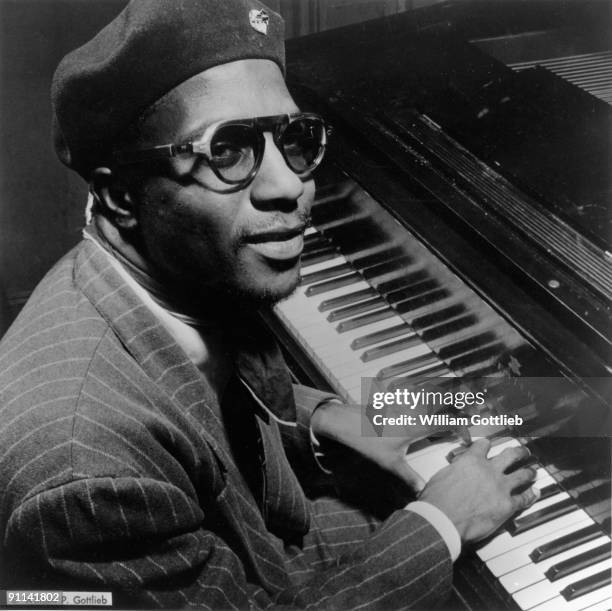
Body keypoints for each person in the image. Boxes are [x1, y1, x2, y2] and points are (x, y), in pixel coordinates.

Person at [0, 1, 539, 608]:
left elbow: (200, 388)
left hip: (259, 536)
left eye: (292, 138)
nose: (290, 186)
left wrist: (325, 417)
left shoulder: (164, 274)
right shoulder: (84, 480)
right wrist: (442, 523)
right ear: (121, 195)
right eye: (227, 150)